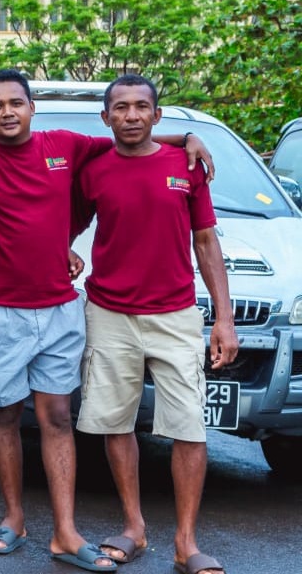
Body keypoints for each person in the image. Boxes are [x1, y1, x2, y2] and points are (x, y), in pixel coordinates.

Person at [0, 69, 211, 572]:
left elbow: (130, 135)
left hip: (58, 310)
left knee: (56, 418)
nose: (7, 112)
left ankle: (65, 532)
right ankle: (13, 519)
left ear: (31, 107)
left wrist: (189, 135)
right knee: (3, 416)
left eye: (16, 103)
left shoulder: (66, 146)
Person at [73, 75, 236, 574]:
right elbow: (64, 222)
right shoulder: (93, 168)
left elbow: (206, 242)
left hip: (175, 313)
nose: (131, 116)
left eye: (141, 107)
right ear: (106, 118)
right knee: (114, 422)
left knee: (189, 426)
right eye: (119, 108)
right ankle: (134, 527)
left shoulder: (186, 166)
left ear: (156, 115)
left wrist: (223, 318)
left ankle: (186, 543)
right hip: (109, 313)